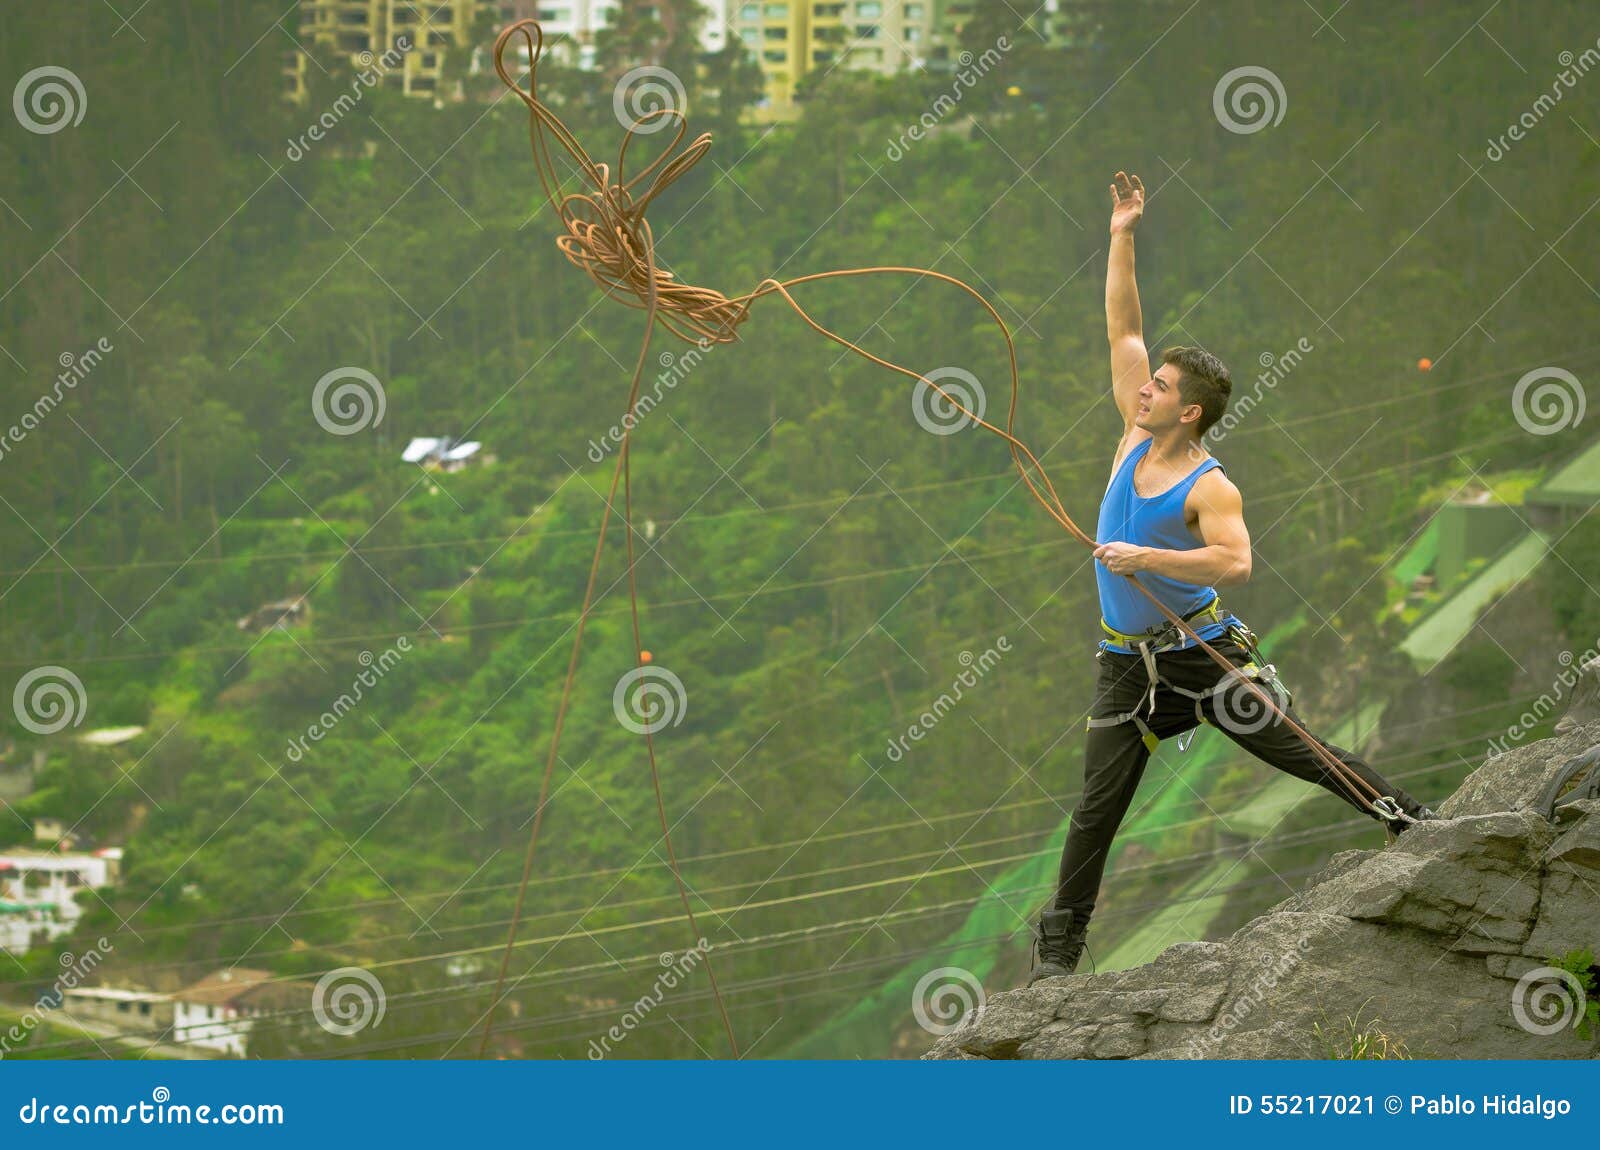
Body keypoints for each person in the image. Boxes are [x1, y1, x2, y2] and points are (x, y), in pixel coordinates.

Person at [1027, 171, 1439, 986]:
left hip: (1199, 655)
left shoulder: (1209, 486)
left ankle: (1407, 819)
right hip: (1125, 666)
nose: (1144, 389)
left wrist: (1147, 559)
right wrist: (1121, 233)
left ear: (1191, 413)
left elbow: (1235, 564)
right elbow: (1123, 332)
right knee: (1094, 814)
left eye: (1162, 388)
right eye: (1150, 383)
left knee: (1300, 750)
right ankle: (1058, 953)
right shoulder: (1130, 439)